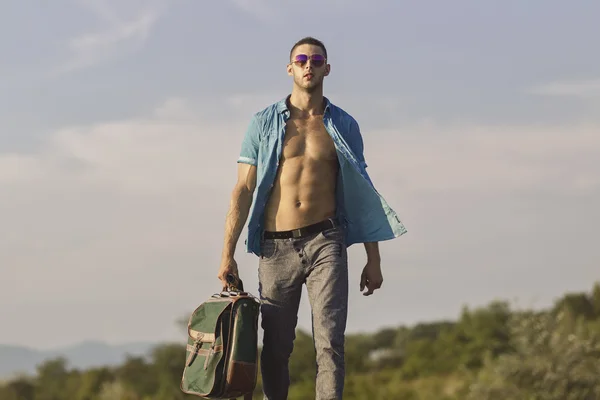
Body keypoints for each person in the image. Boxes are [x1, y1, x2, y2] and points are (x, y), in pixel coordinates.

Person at [217, 36, 407, 400]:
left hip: (327, 241)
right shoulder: (263, 123)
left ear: (326, 68)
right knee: (275, 348)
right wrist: (227, 254)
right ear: (290, 68)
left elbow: (361, 190)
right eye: (301, 59)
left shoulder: (344, 125)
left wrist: (374, 258)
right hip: (276, 246)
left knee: (330, 342)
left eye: (316, 59)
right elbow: (242, 189)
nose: (309, 65)